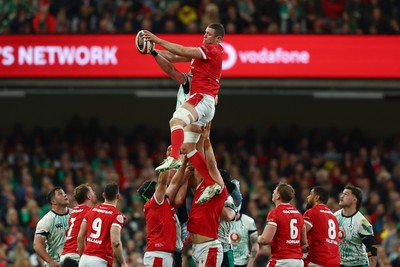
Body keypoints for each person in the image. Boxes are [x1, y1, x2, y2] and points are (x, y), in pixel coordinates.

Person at [142, 23, 225, 203]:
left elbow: (183, 51)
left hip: (201, 98)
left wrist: (157, 40)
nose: (205, 36)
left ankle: (173, 158)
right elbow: (173, 56)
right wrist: (152, 50)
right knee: (188, 148)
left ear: (218, 38)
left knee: (175, 121)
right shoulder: (203, 56)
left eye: (209, 34)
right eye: (205, 33)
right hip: (204, 103)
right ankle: (211, 183)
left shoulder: (212, 50)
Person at [184, 122, 229, 266]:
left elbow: (211, 164)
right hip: (197, 249)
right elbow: (201, 159)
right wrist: (201, 138)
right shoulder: (201, 185)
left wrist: (207, 140)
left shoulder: (219, 189)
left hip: (209, 248)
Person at [137, 155, 189, 267]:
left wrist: (184, 167)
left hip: (165, 254)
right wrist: (171, 157)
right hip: (158, 254)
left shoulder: (163, 204)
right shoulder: (155, 203)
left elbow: (175, 183)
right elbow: (163, 182)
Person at [77, 182, 127, 267]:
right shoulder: (116, 215)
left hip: (84, 259)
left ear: (103, 195)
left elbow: (80, 237)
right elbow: (115, 242)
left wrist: (83, 256)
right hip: (100, 260)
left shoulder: (91, 211)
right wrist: (123, 262)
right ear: (118, 197)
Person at [258, 182, 307, 267]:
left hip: (281, 261)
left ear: (278, 196)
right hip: (298, 262)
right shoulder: (298, 214)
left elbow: (264, 240)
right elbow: (304, 242)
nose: (273, 191)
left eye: (275, 191)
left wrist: (258, 238)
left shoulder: (275, 213)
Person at [334, 185, 377, 267]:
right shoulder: (334, 217)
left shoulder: (362, 223)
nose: (341, 196)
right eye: (342, 193)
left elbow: (372, 250)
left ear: (354, 200)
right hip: (339, 264)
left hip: (358, 264)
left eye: (346, 194)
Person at [60, 184, 98, 267]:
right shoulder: (90, 212)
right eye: (92, 191)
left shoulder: (73, 212)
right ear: (88, 196)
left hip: (64, 255)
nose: (94, 193)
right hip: (76, 255)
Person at [303, 186, 340, 267]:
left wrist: (302, 245)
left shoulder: (311, 212)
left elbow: (300, 232)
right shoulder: (333, 217)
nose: (308, 197)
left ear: (316, 197)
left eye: (310, 194)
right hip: (335, 261)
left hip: (317, 260)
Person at [34, 186, 70, 267]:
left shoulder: (74, 214)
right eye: (60, 194)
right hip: (57, 263)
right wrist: (50, 262)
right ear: (53, 201)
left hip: (73, 261)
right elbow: (37, 244)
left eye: (64, 193)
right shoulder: (46, 220)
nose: (65, 195)